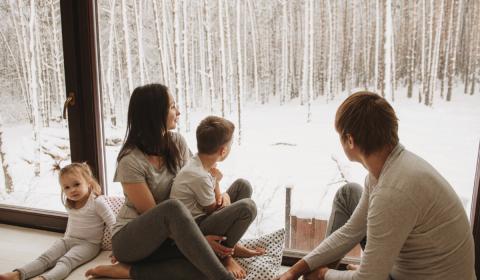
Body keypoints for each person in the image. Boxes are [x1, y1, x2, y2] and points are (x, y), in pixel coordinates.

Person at [276, 91, 476, 280]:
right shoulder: (388, 170)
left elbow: (369, 279)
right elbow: (351, 231)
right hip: (409, 268)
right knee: (350, 194)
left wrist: (324, 275)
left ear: (350, 140)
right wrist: (295, 270)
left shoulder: (393, 191)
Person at [85, 84, 236, 280]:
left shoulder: (178, 142)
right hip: (134, 239)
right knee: (172, 209)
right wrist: (199, 242)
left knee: (239, 192)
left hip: (177, 233)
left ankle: (130, 271)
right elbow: (156, 215)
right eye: (172, 107)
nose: (178, 112)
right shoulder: (130, 161)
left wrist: (220, 195)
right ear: (154, 114)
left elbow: (197, 182)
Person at [170, 115, 263, 279]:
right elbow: (214, 208)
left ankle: (231, 245)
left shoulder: (198, 162)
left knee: (243, 185)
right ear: (223, 151)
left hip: (203, 216)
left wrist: (220, 190)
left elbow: (215, 204)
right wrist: (218, 184)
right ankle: (225, 255)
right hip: (194, 227)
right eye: (230, 145)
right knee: (248, 207)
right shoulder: (198, 175)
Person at [0, 162, 115, 280]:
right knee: (45, 258)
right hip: (67, 240)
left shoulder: (97, 202)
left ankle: (44, 279)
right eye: (67, 187)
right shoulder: (70, 203)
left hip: (89, 244)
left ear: (88, 182)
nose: (72, 190)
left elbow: (113, 224)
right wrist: (65, 241)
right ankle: (18, 274)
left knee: (66, 262)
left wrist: (117, 247)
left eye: (77, 184)